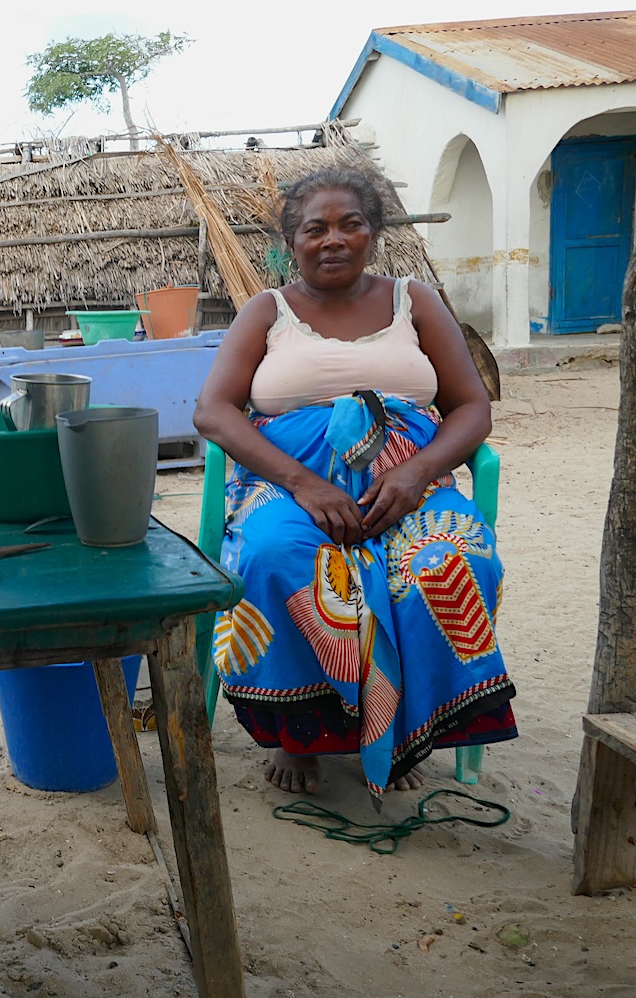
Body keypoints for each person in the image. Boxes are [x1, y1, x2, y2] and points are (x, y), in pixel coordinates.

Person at [193, 167, 517, 800]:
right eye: (316, 228)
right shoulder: (268, 312)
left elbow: (473, 406)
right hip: (290, 486)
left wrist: (417, 473)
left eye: (351, 225)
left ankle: (404, 725)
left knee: (449, 565)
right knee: (274, 556)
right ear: (292, 241)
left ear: (373, 234)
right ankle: (299, 734)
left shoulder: (413, 302)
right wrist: (304, 485)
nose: (333, 239)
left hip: (410, 487)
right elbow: (213, 410)